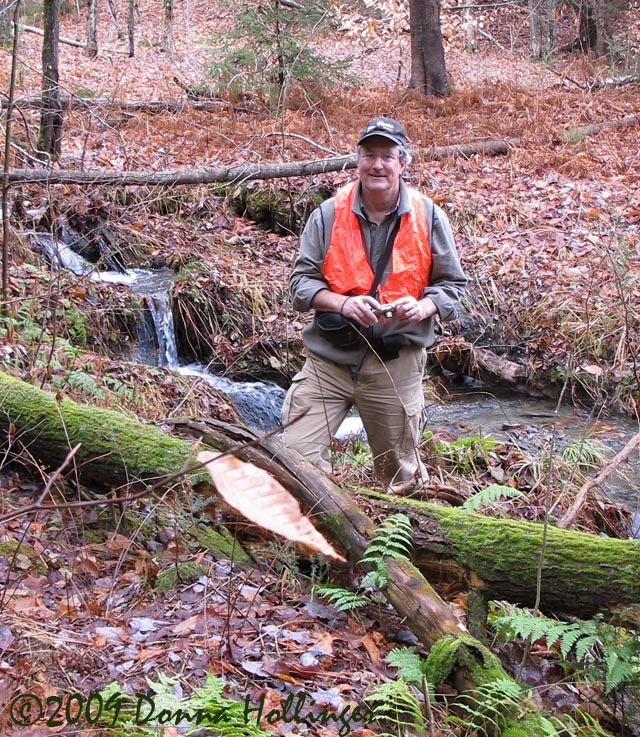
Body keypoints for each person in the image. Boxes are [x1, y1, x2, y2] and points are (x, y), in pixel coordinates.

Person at [282, 117, 467, 493]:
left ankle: (401, 544)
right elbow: (299, 285)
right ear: (357, 161)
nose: (377, 165)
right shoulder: (328, 214)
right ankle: (312, 539)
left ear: (403, 163)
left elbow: (453, 286)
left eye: (387, 156)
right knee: (293, 460)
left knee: (401, 478)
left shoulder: (429, 216)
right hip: (328, 361)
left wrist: (424, 308)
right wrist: (342, 304)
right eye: (369, 155)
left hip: (394, 364)